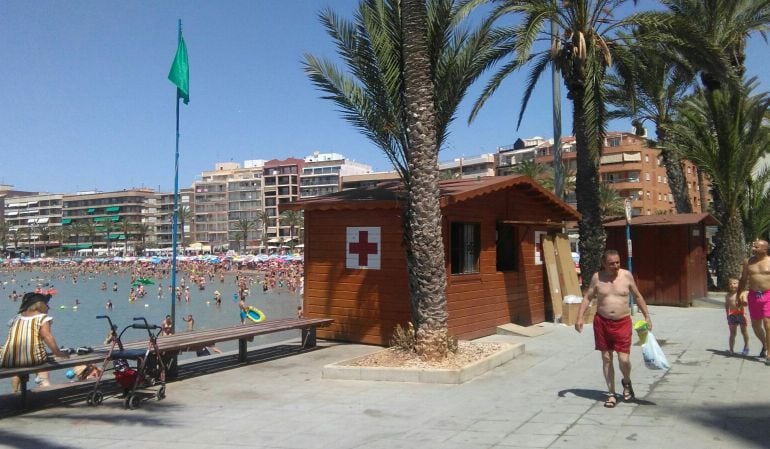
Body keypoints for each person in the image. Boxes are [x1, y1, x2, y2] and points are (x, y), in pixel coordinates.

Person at [575, 249, 652, 408]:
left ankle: (627, 382)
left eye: (617, 262)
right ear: (604, 263)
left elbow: (637, 296)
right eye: (612, 263)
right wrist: (580, 317)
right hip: (602, 322)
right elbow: (588, 296)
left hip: (622, 322)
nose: (616, 266)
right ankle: (611, 393)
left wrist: (647, 316)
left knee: (624, 359)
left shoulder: (626, 276)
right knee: (607, 358)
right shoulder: (597, 277)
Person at [0, 292, 71, 392]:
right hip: (33, 359)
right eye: (46, 304)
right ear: (40, 305)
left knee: (18, 358)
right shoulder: (42, 318)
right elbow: (47, 336)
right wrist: (58, 353)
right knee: (43, 358)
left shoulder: (16, 318)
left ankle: (14, 391)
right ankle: (46, 386)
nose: (49, 307)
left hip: (8, 360)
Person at [737, 239, 770, 364]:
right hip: (753, 296)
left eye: (756, 246)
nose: (753, 247)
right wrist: (738, 295)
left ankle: (769, 354)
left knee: (767, 323)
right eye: (753, 246)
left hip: (768, 295)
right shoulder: (748, 262)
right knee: (756, 326)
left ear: (765, 249)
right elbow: (743, 279)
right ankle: (765, 345)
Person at [725, 278, 750, 356]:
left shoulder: (742, 293)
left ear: (739, 285)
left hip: (741, 315)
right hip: (732, 315)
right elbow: (726, 305)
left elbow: (746, 303)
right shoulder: (727, 295)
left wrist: (743, 303)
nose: (733, 285)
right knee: (732, 333)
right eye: (731, 283)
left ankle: (746, 346)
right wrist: (727, 315)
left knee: (744, 332)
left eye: (735, 283)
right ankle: (731, 349)